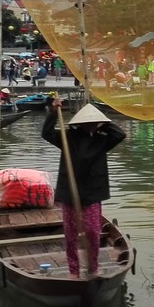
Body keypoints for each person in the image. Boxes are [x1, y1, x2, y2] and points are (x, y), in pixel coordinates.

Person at [41, 100, 127, 279]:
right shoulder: (67, 138)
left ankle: (93, 268)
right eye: (90, 123)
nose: (92, 126)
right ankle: (74, 271)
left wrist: (106, 124)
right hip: (70, 192)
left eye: (95, 123)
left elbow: (120, 135)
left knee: (92, 232)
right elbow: (47, 133)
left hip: (92, 192)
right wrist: (53, 113)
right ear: (81, 124)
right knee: (71, 234)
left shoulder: (102, 140)